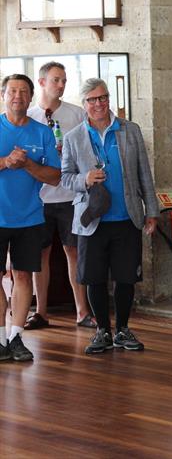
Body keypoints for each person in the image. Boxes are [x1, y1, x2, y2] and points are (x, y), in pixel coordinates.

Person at [60, 78, 159, 356]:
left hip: (127, 217)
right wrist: (85, 178)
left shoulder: (130, 130)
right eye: (92, 100)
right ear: (84, 105)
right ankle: (102, 330)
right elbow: (65, 178)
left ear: (109, 99)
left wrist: (151, 211)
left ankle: (123, 329)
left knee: (127, 277)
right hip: (92, 220)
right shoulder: (73, 138)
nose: (99, 104)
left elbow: (144, 175)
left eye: (102, 97)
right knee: (94, 278)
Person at [25, 61, 94, 330]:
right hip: (38, 197)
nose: (61, 85)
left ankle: (82, 311)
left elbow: (87, 151)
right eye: (56, 80)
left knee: (73, 250)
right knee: (40, 254)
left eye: (64, 80)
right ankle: (40, 312)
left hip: (69, 195)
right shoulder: (29, 116)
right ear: (42, 83)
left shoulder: (76, 114)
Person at [0, 74, 61, 362]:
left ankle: (16, 337)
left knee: (23, 275)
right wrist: (5, 162)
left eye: (24, 92)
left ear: (30, 97)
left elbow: (55, 176)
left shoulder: (42, 133)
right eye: (12, 91)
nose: (17, 97)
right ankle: (0, 338)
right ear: (3, 95)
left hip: (30, 217)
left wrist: (26, 164)